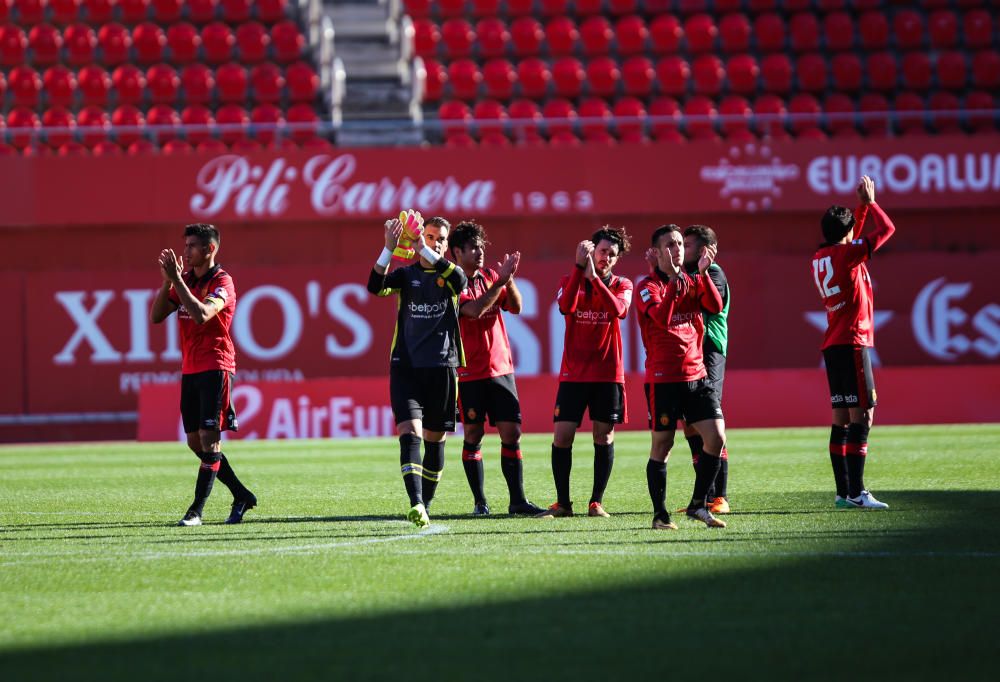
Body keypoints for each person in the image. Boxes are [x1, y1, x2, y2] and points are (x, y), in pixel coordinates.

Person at [150, 223, 256, 527]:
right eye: (185, 246)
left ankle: (196, 511)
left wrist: (176, 282)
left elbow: (200, 315)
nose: (186, 252)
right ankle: (241, 495)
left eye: (192, 246)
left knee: (210, 441)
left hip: (216, 365)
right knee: (195, 443)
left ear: (210, 249)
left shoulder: (223, 282)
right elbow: (156, 316)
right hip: (190, 369)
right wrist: (167, 283)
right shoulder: (183, 280)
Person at [367, 216, 467, 528]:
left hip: (442, 367)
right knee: (410, 434)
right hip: (406, 368)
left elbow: (462, 281)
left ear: (446, 245)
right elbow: (374, 286)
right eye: (429, 235)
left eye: (440, 238)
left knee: (436, 442)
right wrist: (388, 249)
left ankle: (427, 502)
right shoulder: (406, 275)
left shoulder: (449, 276)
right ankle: (417, 503)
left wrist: (427, 251)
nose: (435, 241)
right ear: (417, 237)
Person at [536, 226, 633, 519]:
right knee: (562, 436)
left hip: (607, 374)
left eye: (612, 255)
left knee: (603, 438)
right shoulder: (570, 280)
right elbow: (565, 306)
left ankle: (596, 502)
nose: (607, 258)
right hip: (574, 374)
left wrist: (596, 279)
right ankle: (563, 504)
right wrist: (581, 269)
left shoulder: (622, 284)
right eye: (603, 252)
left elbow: (620, 310)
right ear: (591, 251)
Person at [449, 221, 544, 517]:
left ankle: (517, 501)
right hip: (469, 372)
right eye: (473, 248)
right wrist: (500, 283)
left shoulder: (491, 275)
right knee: (474, 434)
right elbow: (474, 311)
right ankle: (480, 502)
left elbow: (515, 307)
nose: (479, 252)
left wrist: (509, 280)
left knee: (512, 432)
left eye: (481, 247)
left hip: (500, 368)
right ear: (456, 252)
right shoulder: (451, 283)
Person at [811, 175, 895, 510]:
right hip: (853, 341)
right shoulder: (847, 256)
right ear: (846, 235)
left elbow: (851, 238)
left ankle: (843, 493)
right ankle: (858, 492)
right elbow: (887, 230)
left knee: (841, 419)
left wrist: (858, 208)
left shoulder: (822, 256)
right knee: (864, 416)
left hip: (833, 343)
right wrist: (872, 203)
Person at [635, 224, 727, 529]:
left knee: (715, 438)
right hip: (663, 379)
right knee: (663, 445)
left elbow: (715, 306)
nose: (678, 249)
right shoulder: (647, 287)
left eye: (679, 244)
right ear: (658, 253)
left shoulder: (692, 278)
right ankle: (660, 515)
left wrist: (702, 273)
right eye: (671, 245)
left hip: (697, 374)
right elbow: (661, 319)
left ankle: (698, 505)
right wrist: (676, 281)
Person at [680, 225, 732, 515]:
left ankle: (720, 496)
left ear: (702, 250)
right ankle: (704, 496)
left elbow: (711, 305)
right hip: (688, 352)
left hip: (709, 349)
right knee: (689, 424)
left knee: (711, 419)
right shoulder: (685, 275)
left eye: (686, 246)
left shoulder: (714, 273)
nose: (680, 250)